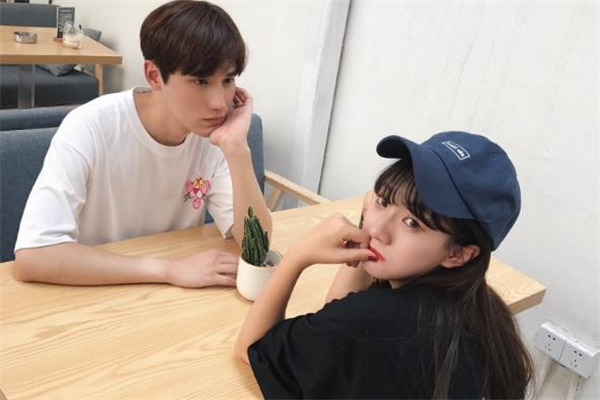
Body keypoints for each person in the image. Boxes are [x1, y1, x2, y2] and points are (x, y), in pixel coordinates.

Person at [235, 131, 534, 399]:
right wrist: (367, 235)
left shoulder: (368, 323)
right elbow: (335, 323)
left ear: (458, 254)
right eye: (384, 201)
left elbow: (253, 349)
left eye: (412, 223)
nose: (378, 229)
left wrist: (297, 255)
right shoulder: (487, 314)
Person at [14, 0, 272, 289]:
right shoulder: (89, 127)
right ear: (154, 76)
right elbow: (33, 255)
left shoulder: (215, 136)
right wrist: (168, 270)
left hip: (175, 296)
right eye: (201, 81)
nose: (219, 103)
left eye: (228, 80)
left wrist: (237, 149)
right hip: (93, 290)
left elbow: (258, 247)